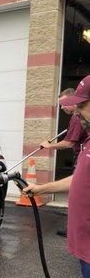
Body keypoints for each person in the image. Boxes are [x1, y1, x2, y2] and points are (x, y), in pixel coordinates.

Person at [23, 74, 90, 278]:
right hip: (84, 244)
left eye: (83, 106)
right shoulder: (89, 141)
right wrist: (40, 189)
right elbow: (78, 180)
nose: (77, 112)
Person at [40, 88, 88, 236]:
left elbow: (68, 143)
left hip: (83, 158)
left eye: (64, 104)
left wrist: (50, 146)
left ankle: (75, 228)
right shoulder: (78, 116)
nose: (62, 107)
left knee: (76, 192)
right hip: (82, 156)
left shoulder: (77, 116)